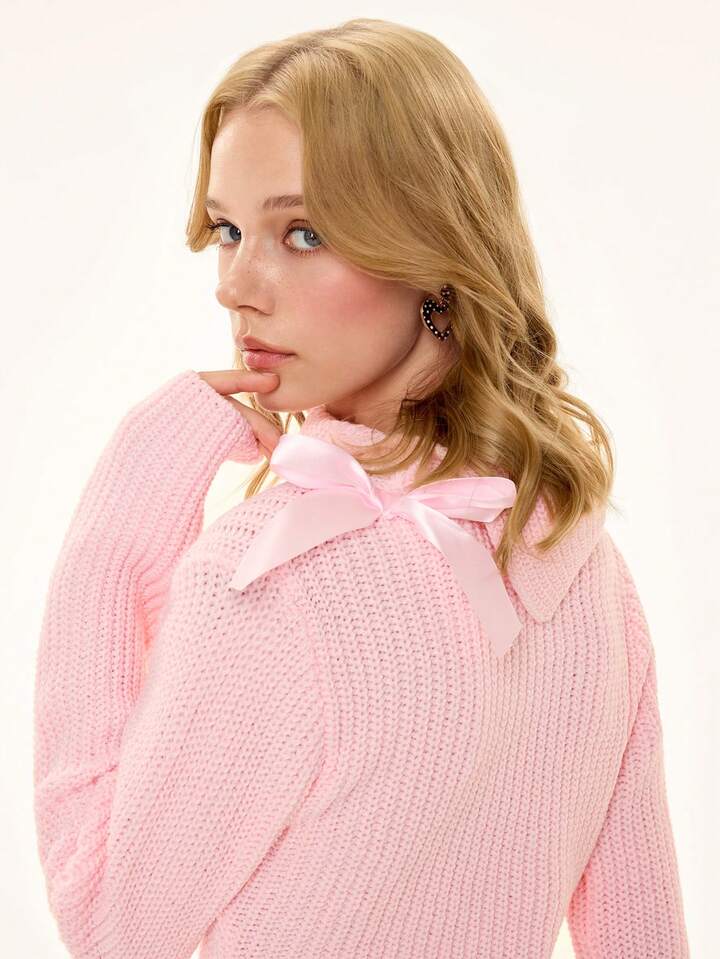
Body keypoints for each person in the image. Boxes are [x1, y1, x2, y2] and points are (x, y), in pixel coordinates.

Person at [33, 17, 690, 959]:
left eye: (302, 233)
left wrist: (118, 526)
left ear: (433, 255)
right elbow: (644, 938)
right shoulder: (579, 558)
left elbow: (112, 928)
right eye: (227, 231)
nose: (235, 285)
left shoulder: (268, 576)